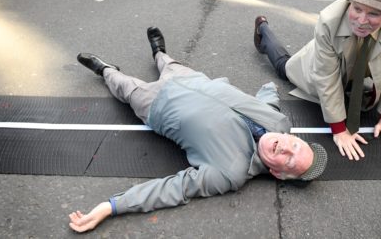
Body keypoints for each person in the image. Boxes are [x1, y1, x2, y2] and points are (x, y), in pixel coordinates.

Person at [69, 27, 327, 233]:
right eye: (295, 145)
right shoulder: (280, 123)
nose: (286, 148)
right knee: (168, 63)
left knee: (124, 87)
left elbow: (173, 189)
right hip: (192, 80)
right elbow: (267, 102)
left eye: (289, 161)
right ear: (291, 136)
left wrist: (110, 206)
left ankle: (105, 70)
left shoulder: (229, 173)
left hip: (157, 105)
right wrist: (269, 88)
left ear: (278, 174)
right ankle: (158, 52)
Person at [253, 0, 381, 162]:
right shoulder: (329, 20)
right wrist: (339, 129)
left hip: (360, 66)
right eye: (357, 9)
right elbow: (326, 77)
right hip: (326, 61)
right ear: (350, 2)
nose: (361, 20)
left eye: (374, 14)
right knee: (285, 68)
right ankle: (263, 31)